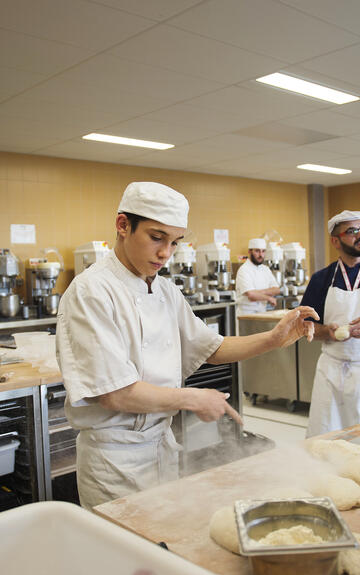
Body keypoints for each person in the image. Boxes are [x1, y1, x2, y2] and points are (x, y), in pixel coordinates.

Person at [56, 181, 318, 510]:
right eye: (156, 237)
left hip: (161, 447)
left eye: (175, 242)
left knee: (160, 550)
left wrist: (274, 338)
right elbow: (114, 392)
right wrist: (193, 398)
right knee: (126, 556)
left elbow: (211, 347)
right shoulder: (92, 292)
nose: (166, 253)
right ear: (123, 225)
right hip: (115, 460)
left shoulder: (165, 290)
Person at [301, 210, 360, 437]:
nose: (359, 235)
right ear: (335, 241)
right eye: (352, 231)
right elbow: (306, 326)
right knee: (325, 435)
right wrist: (328, 331)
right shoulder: (321, 279)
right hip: (331, 370)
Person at [235, 238, 280, 315]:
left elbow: (276, 290)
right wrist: (268, 297)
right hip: (246, 314)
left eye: (263, 251)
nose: (261, 255)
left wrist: (258, 292)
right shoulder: (244, 270)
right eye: (257, 251)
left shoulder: (266, 269)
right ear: (250, 251)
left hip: (262, 312)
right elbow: (251, 295)